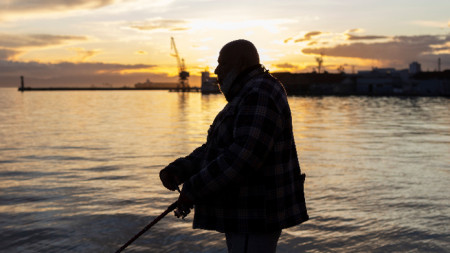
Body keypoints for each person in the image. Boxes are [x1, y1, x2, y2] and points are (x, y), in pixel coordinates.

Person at [160, 39, 308, 253]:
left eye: (222, 63)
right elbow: (217, 148)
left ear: (241, 63)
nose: (216, 70)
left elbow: (243, 158)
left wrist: (193, 189)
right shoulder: (248, 93)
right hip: (246, 216)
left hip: (255, 216)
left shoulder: (259, 93)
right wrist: (180, 169)